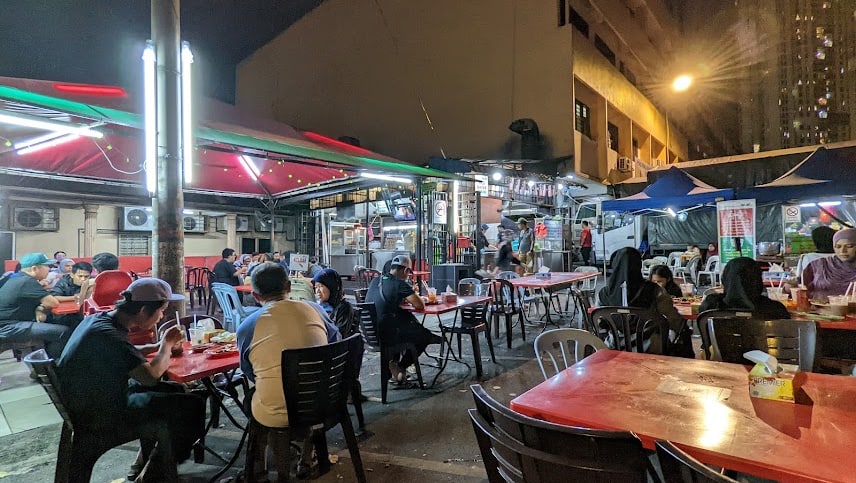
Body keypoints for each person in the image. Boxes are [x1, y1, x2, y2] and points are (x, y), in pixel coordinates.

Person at [57, 278, 204, 483]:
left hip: (88, 399)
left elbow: (127, 354)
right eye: (161, 311)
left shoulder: (100, 321)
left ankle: (146, 463)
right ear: (144, 310)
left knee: (176, 389)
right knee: (191, 405)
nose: (162, 316)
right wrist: (166, 346)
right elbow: (151, 377)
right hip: (100, 413)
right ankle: (155, 473)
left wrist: (158, 346)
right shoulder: (109, 334)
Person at [236, 263, 339, 478]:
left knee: (255, 398)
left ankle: (265, 469)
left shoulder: (248, 326)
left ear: (255, 296)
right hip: (322, 404)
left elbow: (249, 371)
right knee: (307, 389)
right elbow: (334, 345)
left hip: (276, 414)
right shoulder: (316, 310)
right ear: (289, 287)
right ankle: (306, 459)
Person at [597, 248, 690, 357]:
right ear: (639, 266)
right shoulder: (654, 291)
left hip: (614, 347)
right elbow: (673, 318)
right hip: (650, 348)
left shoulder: (604, 293)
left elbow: (600, 322)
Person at [365, 255, 442, 382]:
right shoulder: (399, 284)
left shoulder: (376, 281)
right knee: (424, 335)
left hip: (370, 334)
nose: (408, 276)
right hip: (387, 336)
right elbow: (419, 304)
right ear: (405, 271)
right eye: (409, 273)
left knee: (406, 325)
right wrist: (412, 293)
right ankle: (400, 366)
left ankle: (394, 364)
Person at [0, 253, 69, 358]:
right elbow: (53, 303)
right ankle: (52, 365)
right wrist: (41, 307)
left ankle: (40, 364)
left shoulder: (16, 278)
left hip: (9, 323)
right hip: (9, 327)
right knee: (64, 332)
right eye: (47, 266)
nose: (49, 269)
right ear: (34, 268)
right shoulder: (28, 281)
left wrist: (39, 308)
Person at [699, 257, 790, 319]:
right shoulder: (776, 310)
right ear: (758, 280)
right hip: (762, 348)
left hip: (721, 348)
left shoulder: (710, 306)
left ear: (726, 279)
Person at [802, 228, 856, 300]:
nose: (843, 251)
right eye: (838, 247)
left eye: (849, 246)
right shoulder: (819, 265)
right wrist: (789, 286)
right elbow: (799, 287)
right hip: (817, 309)